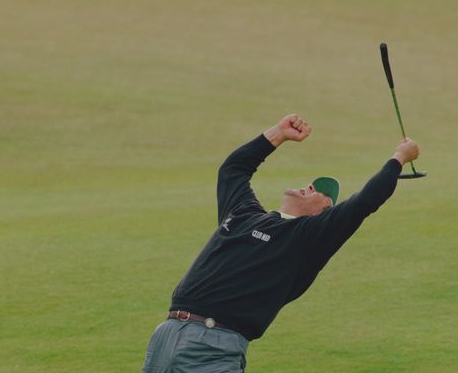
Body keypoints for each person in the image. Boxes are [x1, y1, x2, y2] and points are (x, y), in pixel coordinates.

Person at [141, 114, 420, 373]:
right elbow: (233, 169)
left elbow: (364, 202)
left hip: (213, 347)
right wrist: (278, 134)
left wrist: (399, 158)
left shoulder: (308, 239)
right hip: (166, 337)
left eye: (325, 194)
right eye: (316, 183)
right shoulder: (243, 213)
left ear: (323, 214)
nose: (313, 186)